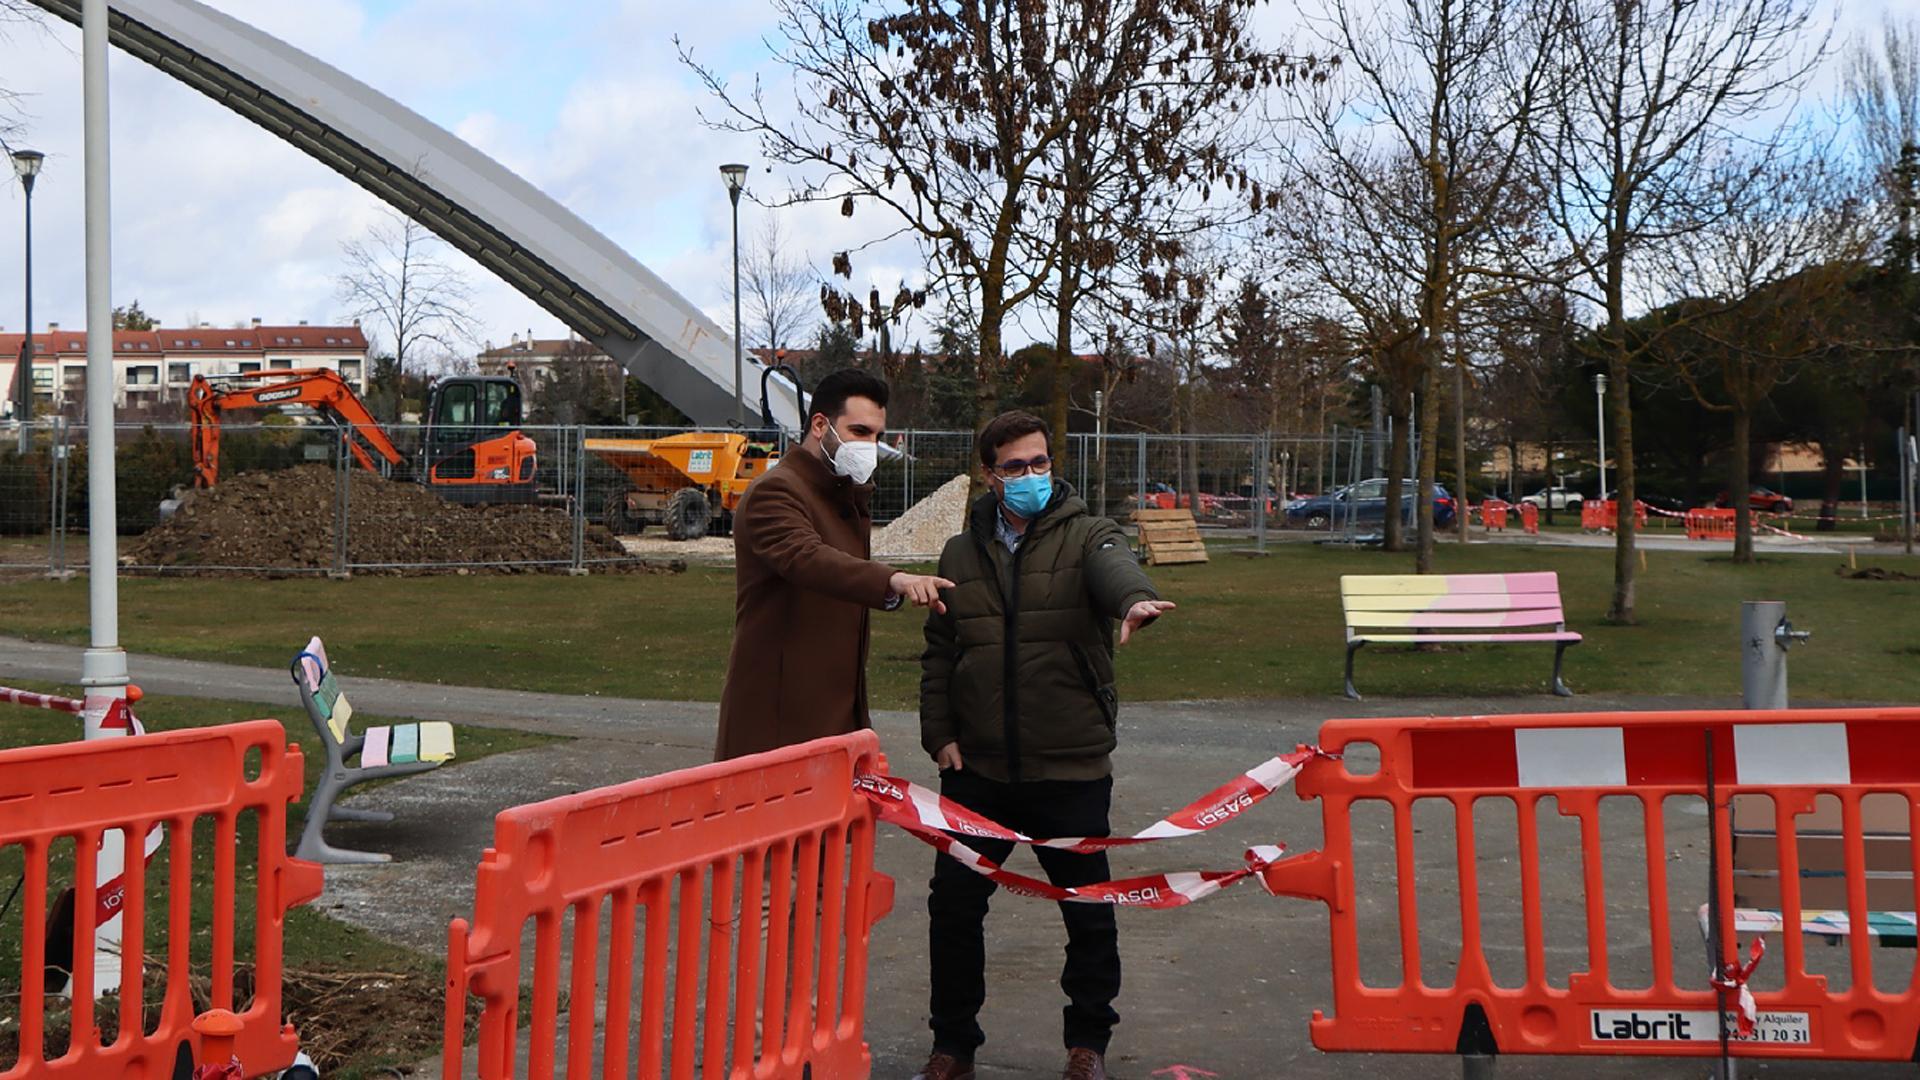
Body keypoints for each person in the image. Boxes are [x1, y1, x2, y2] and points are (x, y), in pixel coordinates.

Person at [915, 410, 1177, 1080]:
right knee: (953, 909)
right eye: (1015, 466)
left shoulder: (1089, 533)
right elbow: (941, 653)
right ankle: (952, 1047)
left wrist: (1135, 602)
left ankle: (1088, 1045)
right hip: (978, 772)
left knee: (1088, 911)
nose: (1031, 475)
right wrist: (939, 734)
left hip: (1070, 767)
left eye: (1040, 462)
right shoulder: (959, 554)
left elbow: (1115, 569)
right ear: (989, 475)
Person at [714, 368, 952, 760]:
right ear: (820, 425)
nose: (870, 446)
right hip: (779, 722)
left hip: (835, 718)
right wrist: (893, 579)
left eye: (876, 436)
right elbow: (806, 557)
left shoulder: (842, 495)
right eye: (859, 431)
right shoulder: (775, 490)